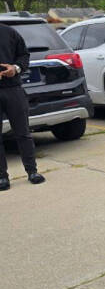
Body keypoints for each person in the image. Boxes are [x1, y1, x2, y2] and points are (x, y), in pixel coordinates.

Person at [0, 22, 45, 190]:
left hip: (13, 89)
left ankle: (32, 171)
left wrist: (15, 68)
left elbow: (24, 55)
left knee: (23, 132)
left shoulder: (9, 32)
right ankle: (2, 177)